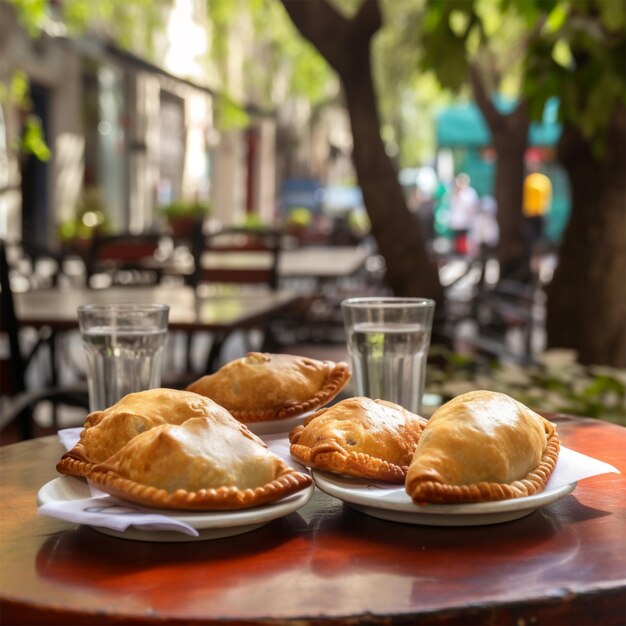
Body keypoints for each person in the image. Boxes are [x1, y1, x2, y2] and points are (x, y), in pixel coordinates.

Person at [448, 173, 479, 255]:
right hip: (457, 221)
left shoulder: (470, 192)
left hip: (466, 221)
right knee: (458, 239)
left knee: (466, 239)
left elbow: (472, 206)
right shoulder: (454, 192)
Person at [523, 166, 552, 251]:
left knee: (536, 239)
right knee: (532, 239)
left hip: (536, 214)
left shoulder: (541, 180)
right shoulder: (530, 180)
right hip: (531, 214)